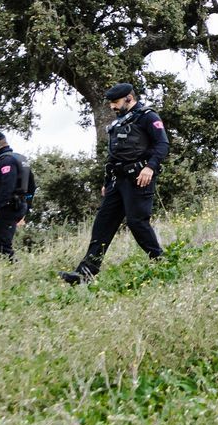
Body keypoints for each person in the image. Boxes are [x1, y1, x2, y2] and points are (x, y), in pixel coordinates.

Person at [62, 83, 170, 284]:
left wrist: (150, 167)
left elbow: (162, 144)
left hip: (139, 178)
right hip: (117, 181)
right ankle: (85, 273)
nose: (112, 106)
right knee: (103, 224)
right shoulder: (119, 122)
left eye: (115, 102)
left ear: (129, 98)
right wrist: (106, 181)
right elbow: (114, 154)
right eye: (111, 103)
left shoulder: (148, 116)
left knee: (137, 223)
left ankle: (161, 262)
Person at [0, 131, 33, 265]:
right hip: (17, 207)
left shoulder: (6, 162)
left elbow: (6, 188)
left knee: (3, 247)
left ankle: (21, 274)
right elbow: (32, 187)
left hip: (8, 208)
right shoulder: (21, 159)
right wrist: (25, 210)